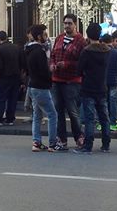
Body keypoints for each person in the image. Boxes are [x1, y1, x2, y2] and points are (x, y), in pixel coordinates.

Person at [72, 22, 111, 154]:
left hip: (88, 88)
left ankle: (88, 145)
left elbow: (79, 70)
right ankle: (106, 144)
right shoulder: (106, 50)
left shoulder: (86, 51)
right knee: (104, 117)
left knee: (89, 119)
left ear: (87, 35)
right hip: (102, 87)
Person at [50, 13, 86, 149]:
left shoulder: (81, 41)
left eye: (70, 23)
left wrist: (66, 64)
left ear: (75, 24)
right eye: (65, 23)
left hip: (72, 80)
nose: (67, 26)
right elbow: (53, 54)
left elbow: (81, 62)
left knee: (73, 111)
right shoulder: (59, 38)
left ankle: (79, 137)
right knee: (58, 110)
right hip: (57, 79)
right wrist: (52, 64)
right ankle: (62, 140)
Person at [24, 24, 59, 152]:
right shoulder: (39, 51)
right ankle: (52, 143)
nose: (46, 37)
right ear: (39, 37)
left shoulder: (29, 50)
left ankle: (37, 142)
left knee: (37, 115)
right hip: (41, 87)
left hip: (33, 85)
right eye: (44, 34)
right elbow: (43, 71)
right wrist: (50, 71)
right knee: (52, 115)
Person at [0, 31, 24, 126]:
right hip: (15, 76)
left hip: (4, 76)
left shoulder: (0, 49)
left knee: (1, 98)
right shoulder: (16, 48)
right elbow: (22, 62)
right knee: (12, 98)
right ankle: (10, 118)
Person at [102, 33, 117, 132]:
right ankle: (113, 122)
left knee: (104, 102)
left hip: (103, 81)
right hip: (115, 80)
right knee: (113, 102)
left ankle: (104, 122)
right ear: (111, 41)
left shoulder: (101, 52)